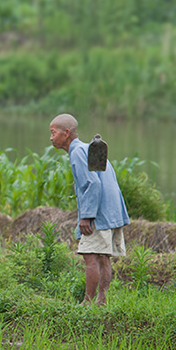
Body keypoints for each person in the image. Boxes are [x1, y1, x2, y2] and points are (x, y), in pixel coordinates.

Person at [49, 113, 130, 305]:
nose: (51, 137)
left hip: (98, 214)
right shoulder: (90, 149)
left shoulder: (77, 152)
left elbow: (93, 184)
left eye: (53, 133)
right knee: (103, 257)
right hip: (111, 211)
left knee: (90, 257)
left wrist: (86, 216)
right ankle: (101, 301)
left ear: (66, 133)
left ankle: (88, 302)